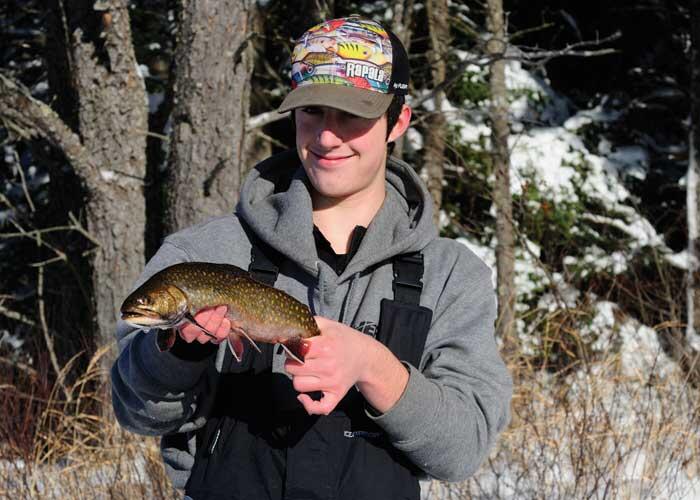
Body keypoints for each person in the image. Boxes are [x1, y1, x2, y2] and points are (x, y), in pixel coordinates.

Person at [111, 15, 512, 500]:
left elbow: (463, 449)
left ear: (397, 121)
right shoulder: (203, 254)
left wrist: (374, 367)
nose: (326, 137)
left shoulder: (450, 277)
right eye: (313, 112)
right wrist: (179, 352)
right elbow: (135, 411)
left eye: (352, 115)